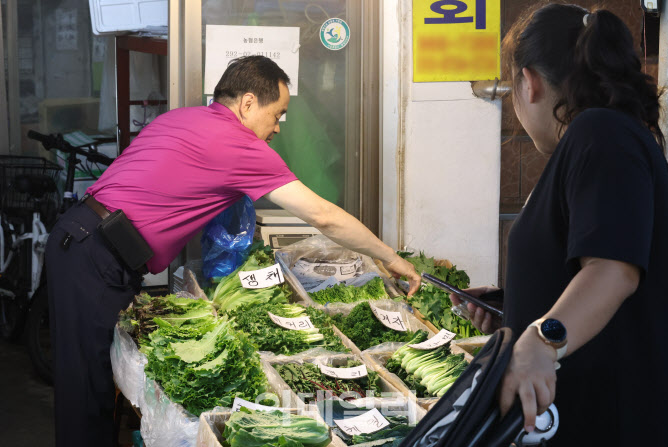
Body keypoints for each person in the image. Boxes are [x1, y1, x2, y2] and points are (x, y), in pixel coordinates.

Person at [45, 55, 421, 447]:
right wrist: (390, 258)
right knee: (86, 396)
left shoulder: (182, 119)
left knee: (87, 387)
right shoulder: (239, 145)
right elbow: (323, 217)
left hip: (83, 240)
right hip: (95, 255)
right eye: (277, 115)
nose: (276, 128)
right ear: (246, 103)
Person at [451, 4, 668, 445]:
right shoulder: (599, 141)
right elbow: (586, 269)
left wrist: (543, 338)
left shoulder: (602, 134)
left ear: (528, 83)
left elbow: (614, 268)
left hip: (610, 420)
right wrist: (514, 307)